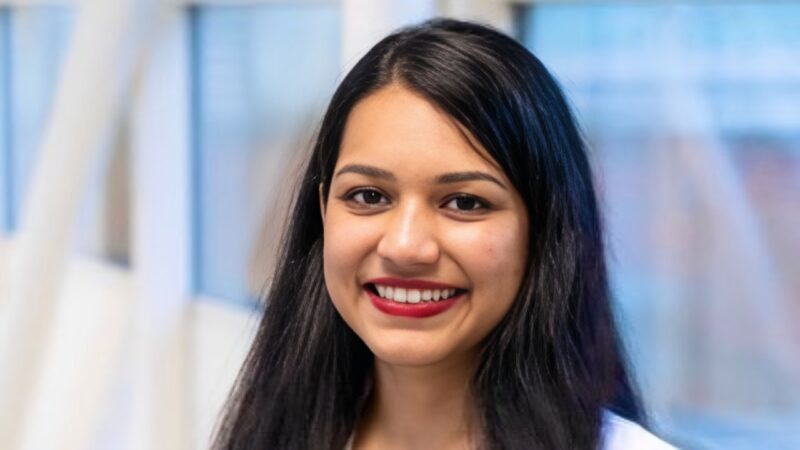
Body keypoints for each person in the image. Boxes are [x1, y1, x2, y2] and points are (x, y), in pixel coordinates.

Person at [212, 18, 675, 450]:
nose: (405, 246)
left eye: (465, 202)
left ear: (545, 230)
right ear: (323, 213)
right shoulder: (271, 433)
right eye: (369, 196)